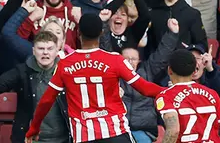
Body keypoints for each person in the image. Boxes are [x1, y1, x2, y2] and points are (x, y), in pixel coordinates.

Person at [25, 13, 164, 143]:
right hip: (116, 134)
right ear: (101, 33)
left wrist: (34, 128)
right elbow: (145, 88)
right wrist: (170, 91)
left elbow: (46, 100)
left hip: (84, 137)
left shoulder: (65, 64)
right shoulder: (114, 60)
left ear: (78, 33)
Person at [0, 31, 69, 143]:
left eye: (49, 48)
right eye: (41, 48)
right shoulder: (22, 71)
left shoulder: (67, 71)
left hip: (62, 139)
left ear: (57, 50)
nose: (45, 53)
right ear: (33, 51)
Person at [155, 49, 220, 143]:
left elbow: (173, 131)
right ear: (194, 70)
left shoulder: (166, 96)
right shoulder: (212, 94)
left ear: (169, 70)